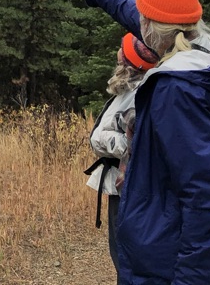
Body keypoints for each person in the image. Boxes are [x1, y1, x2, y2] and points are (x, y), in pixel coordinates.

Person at [64, 0, 210, 285]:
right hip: (186, 245)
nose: (137, 22)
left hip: (168, 255)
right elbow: (133, 9)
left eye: (142, 19)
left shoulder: (175, 91)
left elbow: (206, 196)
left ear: (151, 26)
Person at [86, 32, 160, 284]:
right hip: (128, 183)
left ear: (130, 61)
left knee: (125, 255)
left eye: (122, 50)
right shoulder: (134, 89)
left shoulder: (138, 92)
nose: (118, 54)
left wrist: (121, 144)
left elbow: (110, 139)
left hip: (127, 186)